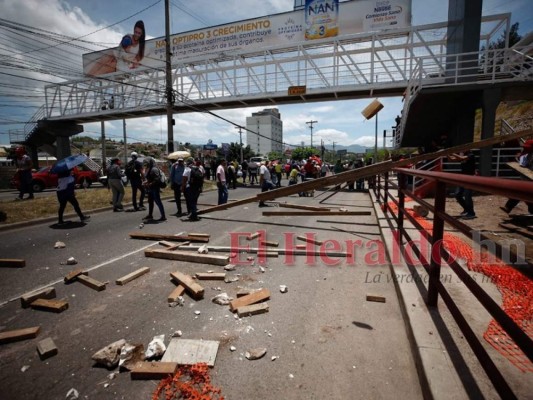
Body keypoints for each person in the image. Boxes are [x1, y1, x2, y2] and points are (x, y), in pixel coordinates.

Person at [500, 140, 533, 215]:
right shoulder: (526, 155)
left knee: (527, 195)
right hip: (525, 178)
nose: (525, 149)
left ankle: (509, 207)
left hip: (530, 179)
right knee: (519, 193)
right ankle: (508, 207)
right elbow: (523, 164)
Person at [449, 150, 476, 219]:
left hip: (470, 177)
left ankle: (471, 213)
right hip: (462, 177)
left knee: (467, 195)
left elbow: (462, 158)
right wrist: (446, 154)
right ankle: (466, 209)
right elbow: (451, 159)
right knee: (457, 194)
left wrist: (451, 152)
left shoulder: (471, 155)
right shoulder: (462, 154)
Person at [142, 157, 166, 221]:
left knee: (158, 202)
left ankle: (163, 216)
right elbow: (150, 178)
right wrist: (146, 182)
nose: (146, 164)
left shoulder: (154, 169)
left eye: (147, 162)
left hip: (155, 188)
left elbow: (157, 179)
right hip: (151, 188)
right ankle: (150, 215)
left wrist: (150, 184)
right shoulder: (149, 168)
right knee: (150, 202)